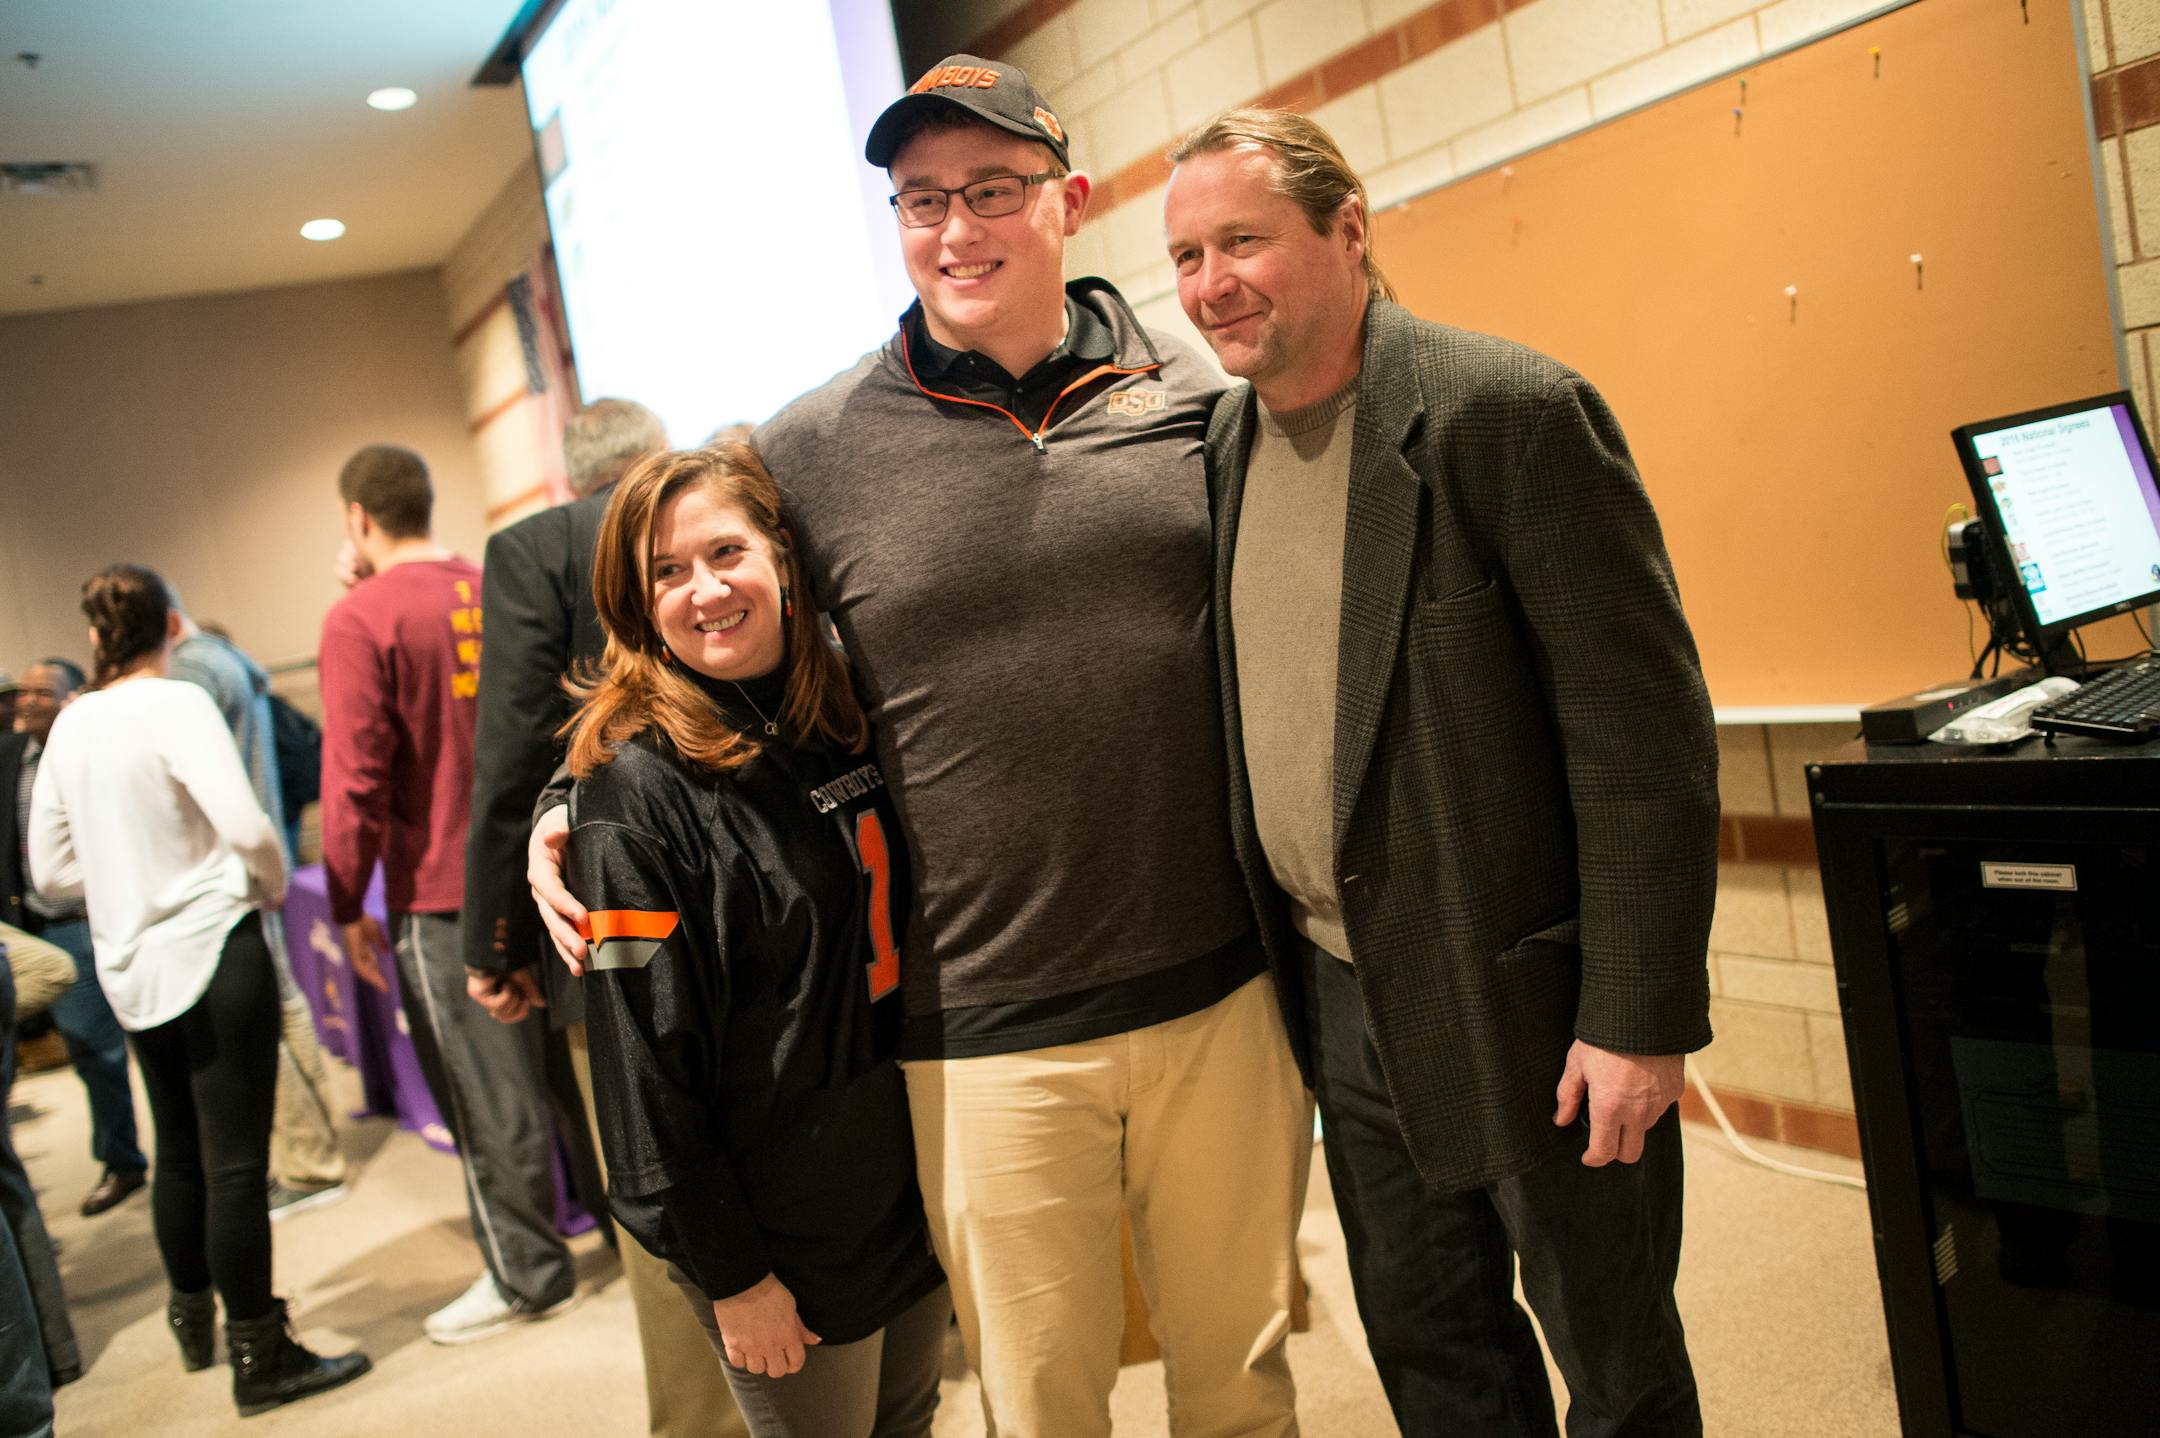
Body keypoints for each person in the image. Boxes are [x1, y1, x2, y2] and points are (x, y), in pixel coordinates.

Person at [532, 54, 1312, 1438]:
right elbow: (697, 610)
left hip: (1219, 990)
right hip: (983, 1030)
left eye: (994, 190)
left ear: (1068, 200)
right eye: (922, 199)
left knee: (1241, 1380)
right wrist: (562, 796)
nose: (957, 228)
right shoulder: (813, 445)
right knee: (1037, 1404)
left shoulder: (1197, 398)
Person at [1162, 108, 1720, 1436]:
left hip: (1527, 989)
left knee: (1614, 1354)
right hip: (1344, 991)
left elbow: (1644, 742)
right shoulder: (1225, 449)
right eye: (1185, 254)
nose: (1210, 284)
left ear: (1346, 229)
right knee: (1434, 1348)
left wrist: (1637, 1014)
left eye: (1243, 239)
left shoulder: (1507, 413)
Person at [555, 443, 947, 1437]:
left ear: (779, 552)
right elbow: (645, 1077)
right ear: (635, 604)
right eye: (668, 572)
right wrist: (733, 1273)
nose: (706, 590)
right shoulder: (634, 794)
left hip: (903, 1184)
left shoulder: (843, 712)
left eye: (724, 551)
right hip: (779, 1230)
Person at [464, 399, 748, 1437]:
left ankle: (703, 1419)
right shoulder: (736, 522)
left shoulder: (534, 546)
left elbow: (508, 752)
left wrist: (494, 939)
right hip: (763, 893)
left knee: (659, 1169)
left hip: (611, 910)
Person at [27, 564, 370, 1416]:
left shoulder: (71, 726)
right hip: (214, 945)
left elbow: (47, 870)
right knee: (237, 1162)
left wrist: (120, 880)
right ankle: (261, 1354)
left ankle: (195, 1326)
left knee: (175, 1148)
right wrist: (263, 885)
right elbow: (249, 823)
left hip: (130, 961)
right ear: (172, 628)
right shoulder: (178, 703)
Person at [319, 443, 595, 1345]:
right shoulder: (495, 577)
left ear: (358, 517)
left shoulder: (362, 617)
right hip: (551, 863)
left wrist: (347, 900)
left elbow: (355, 777)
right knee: (574, 1076)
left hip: (442, 888)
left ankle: (527, 1272)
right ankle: (604, 1223)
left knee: (490, 1096)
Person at [165, 598, 351, 1217]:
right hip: (258, 855)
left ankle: (312, 1162)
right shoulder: (230, 664)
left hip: (232, 871)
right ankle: (313, 1156)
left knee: (265, 1015)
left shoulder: (193, 671)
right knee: (281, 1003)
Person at [1, 657, 149, 1217]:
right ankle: (123, 1160)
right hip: (52, 928)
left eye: (42, 691)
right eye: (23, 691)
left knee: (150, 1040)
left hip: (111, 914)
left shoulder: (96, 751)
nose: (27, 700)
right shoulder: (11, 756)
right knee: (94, 1051)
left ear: (72, 699)